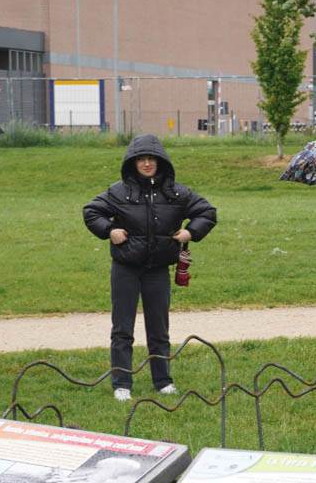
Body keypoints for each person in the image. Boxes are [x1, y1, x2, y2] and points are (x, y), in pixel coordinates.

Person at [83, 134, 217, 401]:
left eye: (151, 159)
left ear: (160, 161)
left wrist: (191, 232)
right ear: (132, 163)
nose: (146, 164)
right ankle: (122, 383)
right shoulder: (118, 192)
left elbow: (207, 212)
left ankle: (163, 381)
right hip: (125, 269)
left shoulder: (177, 193)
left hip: (158, 270)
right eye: (141, 159)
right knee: (122, 329)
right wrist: (109, 230)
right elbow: (91, 211)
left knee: (159, 329)